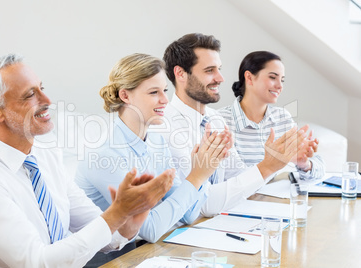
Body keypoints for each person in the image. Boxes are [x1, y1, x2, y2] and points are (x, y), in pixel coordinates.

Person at [0, 54, 174, 268]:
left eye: (42, 88)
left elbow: (94, 225)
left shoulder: (45, 155)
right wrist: (116, 215)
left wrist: (125, 224)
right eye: (30, 95)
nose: (47, 101)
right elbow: (37, 262)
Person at [75, 53, 230, 247]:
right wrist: (197, 176)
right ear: (125, 95)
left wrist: (205, 169)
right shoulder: (104, 156)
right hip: (108, 259)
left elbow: (189, 215)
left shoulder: (156, 142)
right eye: (154, 92)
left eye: (165, 90)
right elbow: (150, 229)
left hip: (140, 252)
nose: (165, 100)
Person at [160, 33, 307, 217]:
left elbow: (238, 176)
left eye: (219, 69)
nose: (220, 78)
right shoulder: (165, 128)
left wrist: (276, 161)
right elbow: (202, 204)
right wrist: (267, 166)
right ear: (180, 74)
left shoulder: (216, 120)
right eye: (209, 70)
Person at [218, 51, 325, 180]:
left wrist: (304, 163)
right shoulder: (221, 120)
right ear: (249, 78)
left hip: (278, 199)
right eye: (273, 77)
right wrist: (271, 164)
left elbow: (320, 171)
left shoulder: (282, 117)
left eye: (282, 80)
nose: (280, 86)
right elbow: (231, 179)